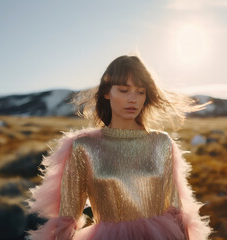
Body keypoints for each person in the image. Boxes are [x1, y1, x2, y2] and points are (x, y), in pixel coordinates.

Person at [27, 55, 212, 240]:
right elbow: (67, 218)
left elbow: (175, 209)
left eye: (140, 92)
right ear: (107, 92)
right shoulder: (84, 147)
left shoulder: (161, 143)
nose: (133, 99)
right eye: (124, 90)